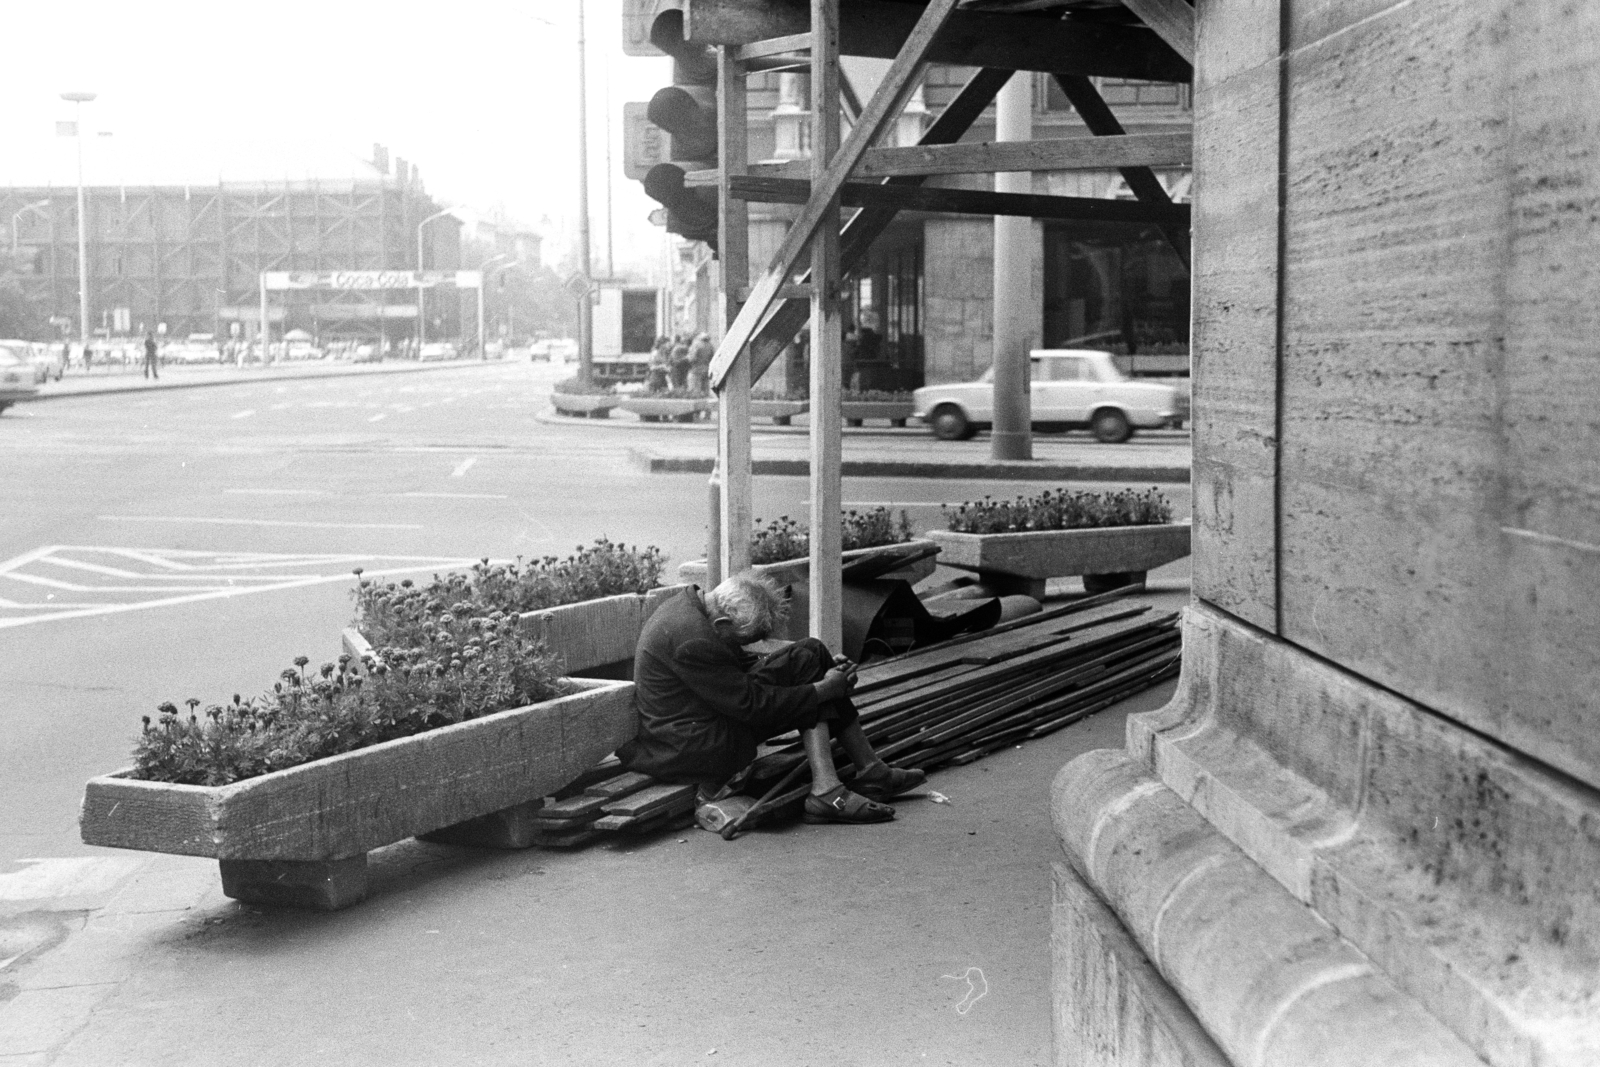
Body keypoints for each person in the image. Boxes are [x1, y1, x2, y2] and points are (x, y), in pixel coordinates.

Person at [617, 573, 925, 824]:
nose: (745, 646)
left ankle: (868, 772)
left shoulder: (698, 609)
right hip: (694, 744)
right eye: (744, 640)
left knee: (812, 654)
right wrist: (825, 689)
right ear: (723, 625)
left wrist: (826, 670)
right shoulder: (694, 638)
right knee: (810, 674)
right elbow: (752, 707)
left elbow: (738, 666)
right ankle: (829, 789)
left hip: (706, 717)